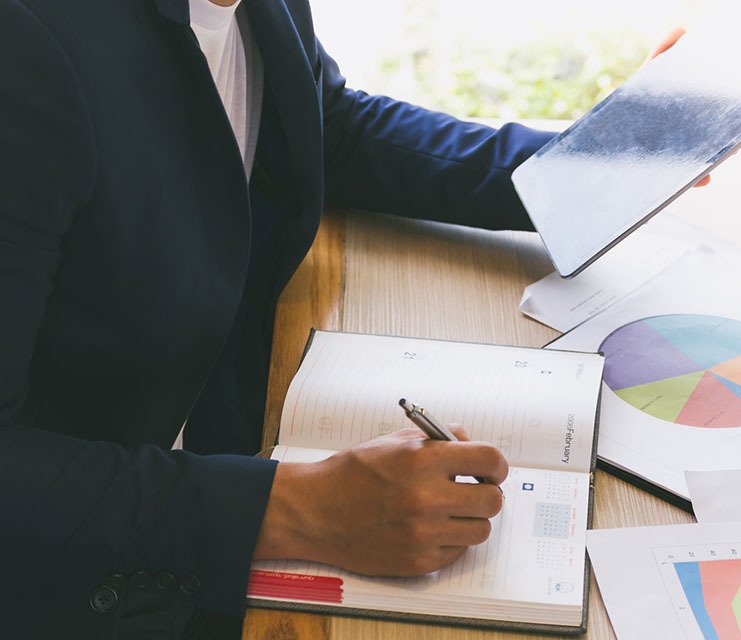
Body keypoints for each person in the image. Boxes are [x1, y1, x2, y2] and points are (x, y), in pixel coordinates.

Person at [0, 0, 703, 636]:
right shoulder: (25, 47)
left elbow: (323, 124)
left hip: (217, 451)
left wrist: (596, 164)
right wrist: (292, 508)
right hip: (96, 565)